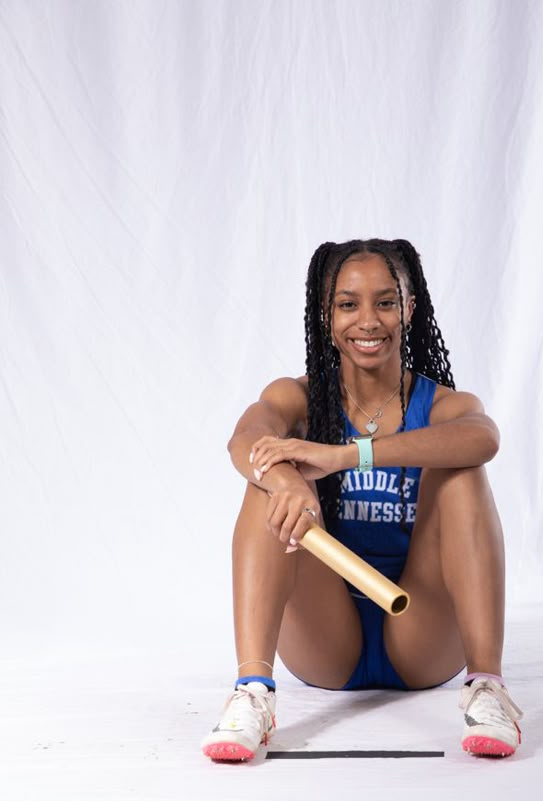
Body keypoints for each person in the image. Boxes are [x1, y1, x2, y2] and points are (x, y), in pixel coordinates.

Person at [201, 238, 522, 762]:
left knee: (463, 473)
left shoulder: (444, 404)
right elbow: (245, 440)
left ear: (409, 309)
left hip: (420, 629)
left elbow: (483, 438)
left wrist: (345, 456)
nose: (367, 321)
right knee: (265, 481)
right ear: (325, 315)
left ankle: (487, 687)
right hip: (327, 636)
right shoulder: (297, 396)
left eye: (385, 302)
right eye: (348, 304)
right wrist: (286, 480)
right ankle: (253, 693)